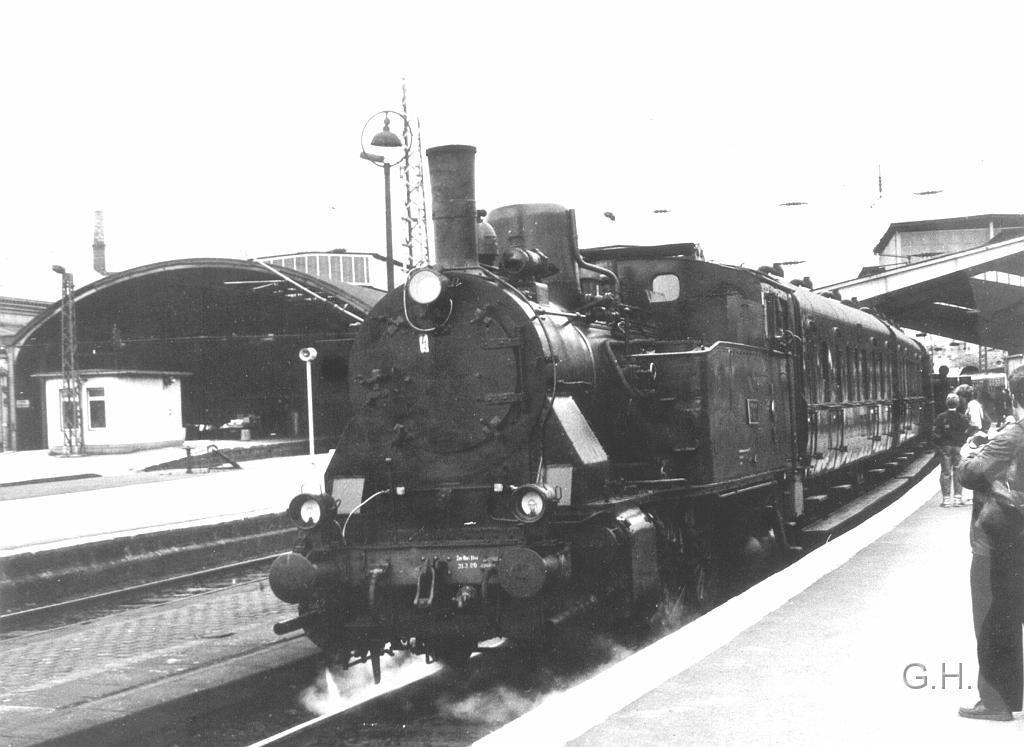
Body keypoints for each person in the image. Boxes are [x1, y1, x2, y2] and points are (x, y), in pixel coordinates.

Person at [955, 367, 1024, 721]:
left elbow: (971, 474)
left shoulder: (1013, 435)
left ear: (1013, 396)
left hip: (999, 541)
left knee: (993, 621)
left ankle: (996, 702)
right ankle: (1009, 697)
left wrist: (969, 449)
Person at [933, 393, 971, 507]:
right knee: (958, 471)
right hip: (958, 447)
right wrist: (962, 442)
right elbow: (967, 431)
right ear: (958, 404)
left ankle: (946, 500)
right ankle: (958, 499)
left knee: (945, 472)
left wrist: (939, 444)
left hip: (945, 446)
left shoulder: (941, 417)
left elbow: (936, 433)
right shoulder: (962, 417)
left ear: (946, 403)